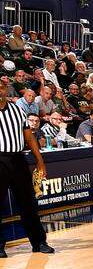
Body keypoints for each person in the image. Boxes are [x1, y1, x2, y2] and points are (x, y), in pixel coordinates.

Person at [0, 77, 52, 257]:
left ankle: (39, 242)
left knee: (28, 203)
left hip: (18, 159)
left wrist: (40, 161)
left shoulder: (17, 110)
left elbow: (29, 138)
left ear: (5, 89)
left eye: (0, 87)